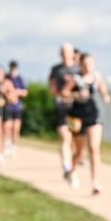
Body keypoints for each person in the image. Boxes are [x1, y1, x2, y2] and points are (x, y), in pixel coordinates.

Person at [64, 52, 111, 195]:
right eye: (85, 64)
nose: (88, 66)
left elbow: (103, 91)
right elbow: (64, 92)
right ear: (81, 65)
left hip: (93, 115)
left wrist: (106, 96)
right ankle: (71, 171)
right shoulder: (76, 79)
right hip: (76, 117)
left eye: (90, 63)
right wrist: (76, 95)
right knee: (79, 152)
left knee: (94, 148)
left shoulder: (97, 76)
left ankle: (94, 182)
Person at [49, 43, 80, 186]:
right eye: (62, 51)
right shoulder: (56, 69)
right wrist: (58, 92)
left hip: (77, 109)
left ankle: (71, 169)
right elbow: (52, 87)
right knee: (65, 137)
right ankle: (66, 166)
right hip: (62, 107)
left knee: (75, 142)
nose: (64, 53)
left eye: (66, 51)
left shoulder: (78, 68)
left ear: (73, 53)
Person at [3, 60, 28, 157]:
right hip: (8, 106)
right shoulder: (6, 77)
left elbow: (25, 92)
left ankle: (14, 146)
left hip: (17, 107)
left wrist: (17, 92)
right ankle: (7, 144)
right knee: (7, 127)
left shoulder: (20, 78)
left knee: (16, 128)